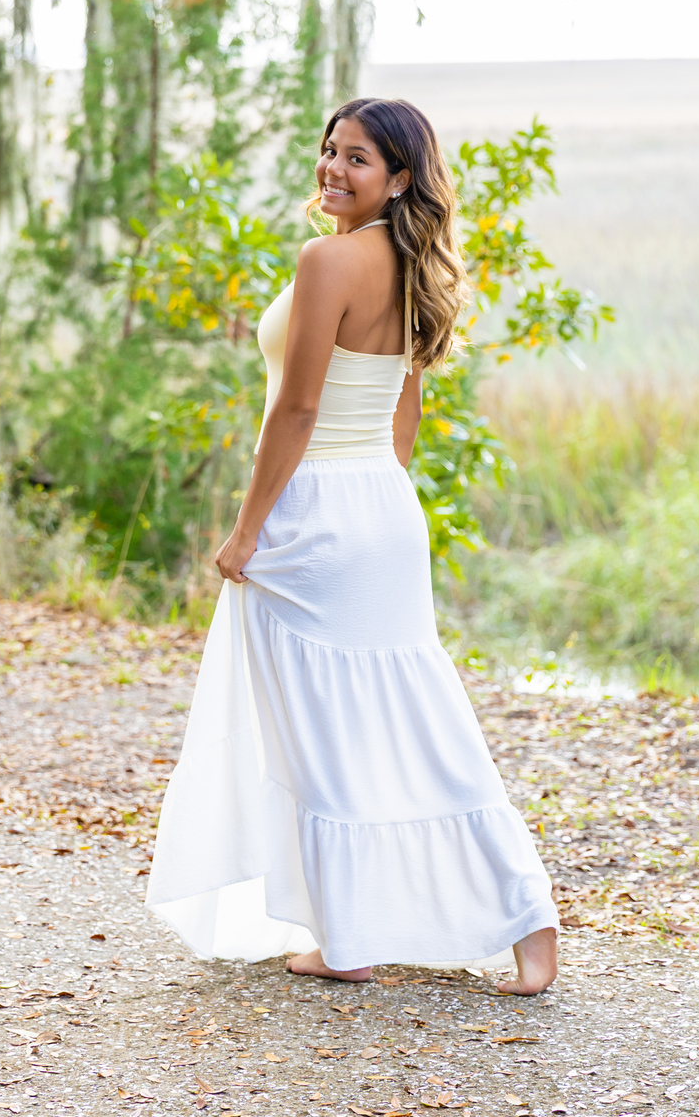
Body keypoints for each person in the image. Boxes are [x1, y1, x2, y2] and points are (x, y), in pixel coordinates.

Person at [146, 97, 559, 992]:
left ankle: (348, 938)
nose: (333, 168)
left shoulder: (327, 259)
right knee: (414, 706)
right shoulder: (413, 267)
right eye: (329, 150)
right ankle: (525, 914)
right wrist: (383, 499)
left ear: (400, 177)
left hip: (316, 510)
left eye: (358, 158)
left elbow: (294, 410)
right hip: (380, 504)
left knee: (321, 723)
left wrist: (247, 530)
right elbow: (403, 413)